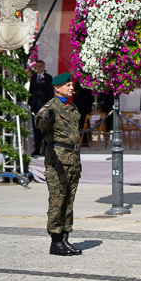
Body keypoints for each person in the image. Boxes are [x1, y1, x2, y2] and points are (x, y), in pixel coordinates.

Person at [35, 72, 82, 256]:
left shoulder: (72, 107)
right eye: (68, 85)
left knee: (69, 200)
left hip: (73, 159)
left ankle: (64, 238)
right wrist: (47, 117)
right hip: (58, 161)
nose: (71, 87)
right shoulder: (50, 107)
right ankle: (55, 241)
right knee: (57, 199)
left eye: (72, 84)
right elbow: (40, 122)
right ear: (57, 87)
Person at [28, 60, 54, 155]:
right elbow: (31, 91)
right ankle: (37, 148)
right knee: (36, 129)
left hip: (44, 107)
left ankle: (45, 149)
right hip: (35, 107)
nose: (38, 68)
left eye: (40, 66)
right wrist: (30, 104)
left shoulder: (48, 78)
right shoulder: (34, 77)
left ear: (43, 67)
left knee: (45, 129)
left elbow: (50, 93)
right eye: (37, 66)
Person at [73, 81, 94, 147]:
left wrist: (89, 109)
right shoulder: (77, 83)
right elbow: (75, 96)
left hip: (85, 109)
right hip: (78, 108)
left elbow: (90, 97)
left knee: (85, 124)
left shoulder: (87, 84)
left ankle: (85, 141)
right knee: (79, 125)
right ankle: (79, 140)